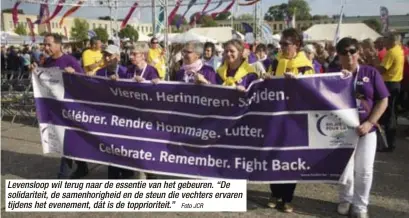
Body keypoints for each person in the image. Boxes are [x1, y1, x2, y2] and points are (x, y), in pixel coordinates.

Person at [336, 37, 389, 218]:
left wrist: (370, 122)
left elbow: (383, 99)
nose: (348, 55)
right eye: (344, 52)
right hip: (340, 131)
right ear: (338, 55)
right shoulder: (332, 74)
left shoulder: (370, 72)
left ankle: (360, 205)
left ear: (358, 52)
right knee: (345, 169)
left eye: (352, 51)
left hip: (366, 130)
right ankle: (345, 199)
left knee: (364, 170)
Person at [266, 28, 314, 213]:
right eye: (281, 44)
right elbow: (269, 82)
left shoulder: (305, 65)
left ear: (297, 45)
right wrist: (267, 79)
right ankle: (274, 192)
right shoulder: (276, 61)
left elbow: (312, 91)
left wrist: (298, 83)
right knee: (273, 156)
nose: (282, 47)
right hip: (276, 116)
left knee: (290, 157)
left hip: (295, 119)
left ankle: (287, 197)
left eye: (286, 44)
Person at [29, 33, 86, 179]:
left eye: (49, 44)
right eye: (44, 44)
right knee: (66, 140)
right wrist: (34, 71)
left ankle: (62, 176)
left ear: (59, 45)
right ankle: (82, 167)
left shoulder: (69, 60)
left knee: (65, 142)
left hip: (70, 109)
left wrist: (74, 74)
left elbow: (85, 83)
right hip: (55, 110)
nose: (46, 47)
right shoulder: (46, 62)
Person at [377, 32, 404, 152]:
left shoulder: (391, 52)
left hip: (389, 83)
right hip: (396, 83)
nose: (384, 42)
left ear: (392, 41)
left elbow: (382, 69)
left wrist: (373, 66)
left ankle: (388, 144)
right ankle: (389, 142)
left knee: (388, 114)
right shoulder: (399, 49)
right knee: (391, 114)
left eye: (386, 39)